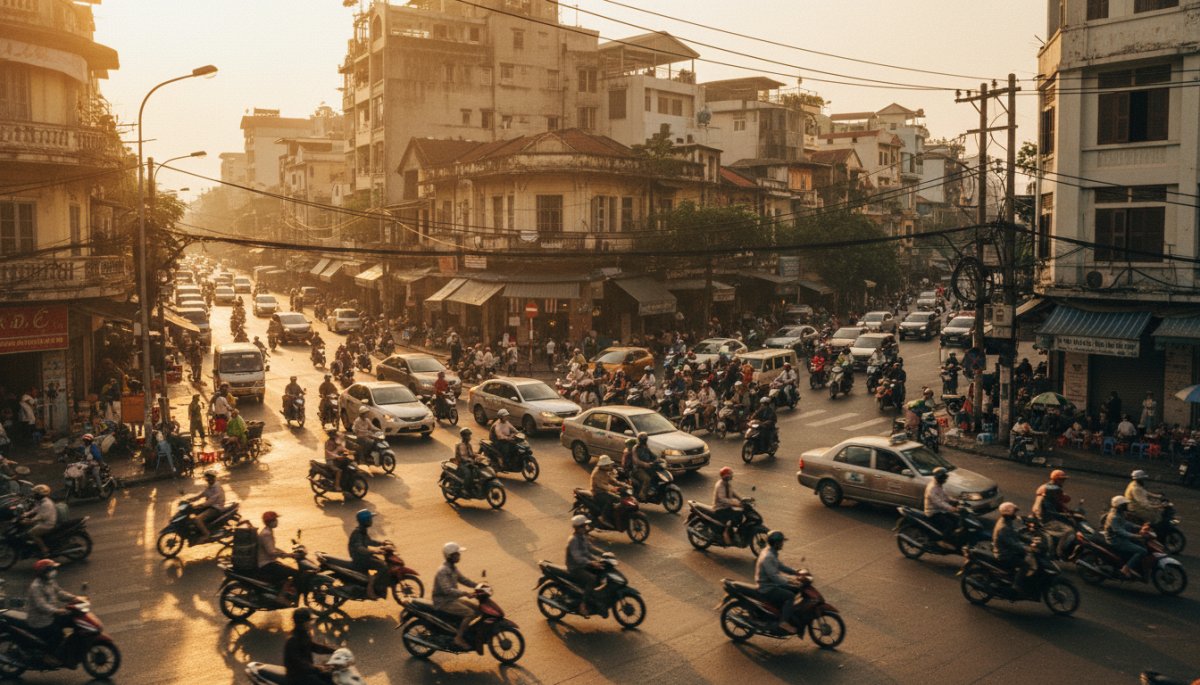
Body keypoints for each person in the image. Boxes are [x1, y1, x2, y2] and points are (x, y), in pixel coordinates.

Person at [26, 559, 79, 658]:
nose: (54, 571)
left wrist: (74, 598)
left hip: (51, 615)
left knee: (74, 620)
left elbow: (59, 592)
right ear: (44, 572)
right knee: (58, 634)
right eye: (52, 569)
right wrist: (57, 611)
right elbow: (41, 605)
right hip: (41, 621)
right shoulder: (36, 587)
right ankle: (49, 656)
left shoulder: (50, 581)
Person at [433, 542, 478, 650]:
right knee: (470, 613)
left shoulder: (453, 568)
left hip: (452, 599)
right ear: (450, 556)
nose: (459, 556)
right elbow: (447, 590)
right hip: (443, 602)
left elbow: (463, 580)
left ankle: (462, 629)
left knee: (477, 609)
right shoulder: (443, 571)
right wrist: (465, 593)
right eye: (457, 554)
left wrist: (479, 585)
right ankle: (458, 638)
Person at [755, 530, 799, 632]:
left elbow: (780, 566)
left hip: (771, 584)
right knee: (790, 596)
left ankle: (784, 612)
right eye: (781, 542)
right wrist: (789, 581)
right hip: (767, 588)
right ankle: (783, 622)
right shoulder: (768, 557)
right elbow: (774, 576)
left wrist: (795, 572)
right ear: (776, 543)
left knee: (795, 589)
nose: (782, 544)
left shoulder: (770, 551)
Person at [283, 608, 336, 685]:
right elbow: (298, 663)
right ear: (302, 623)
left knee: (333, 678)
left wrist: (334, 651)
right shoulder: (292, 640)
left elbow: (314, 647)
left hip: (309, 672)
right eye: (309, 621)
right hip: (298, 677)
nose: (311, 623)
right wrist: (317, 668)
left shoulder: (304, 634)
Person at [565, 515, 603, 617]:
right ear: (578, 528)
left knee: (600, 572)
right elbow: (578, 558)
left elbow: (590, 548)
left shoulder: (582, 537)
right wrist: (592, 562)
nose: (586, 528)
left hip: (583, 564)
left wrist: (603, 554)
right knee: (592, 579)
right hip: (575, 568)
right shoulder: (573, 540)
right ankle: (583, 605)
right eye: (584, 526)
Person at [1105, 496, 1148, 578]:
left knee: (1140, 544)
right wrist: (1136, 536)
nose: (1126, 506)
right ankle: (1125, 569)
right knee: (1142, 551)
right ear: (1120, 506)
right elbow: (1120, 531)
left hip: (1120, 537)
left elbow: (1126, 523)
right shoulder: (1114, 517)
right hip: (1116, 540)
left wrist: (1140, 527)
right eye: (1125, 504)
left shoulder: (1119, 513)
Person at [349, 509, 387, 600]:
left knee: (380, 563)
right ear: (366, 521)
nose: (371, 521)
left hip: (363, 557)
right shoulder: (358, 532)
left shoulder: (362, 530)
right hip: (359, 558)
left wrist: (382, 543)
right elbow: (360, 548)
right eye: (370, 519)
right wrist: (374, 551)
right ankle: (370, 590)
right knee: (381, 566)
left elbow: (369, 541)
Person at [992, 502, 1030, 593]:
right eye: (1014, 513)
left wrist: (1027, 537)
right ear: (1008, 514)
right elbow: (1013, 544)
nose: (1015, 514)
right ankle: (1016, 586)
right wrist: (1027, 548)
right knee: (1025, 565)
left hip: (1007, 550)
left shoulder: (1006, 521)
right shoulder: (1003, 527)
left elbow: (1013, 533)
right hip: (1004, 554)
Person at [257, 511, 296, 591]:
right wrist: (288, 555)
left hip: (269, 561)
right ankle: (281, 596)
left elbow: (273, 548)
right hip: (266, 564)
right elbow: (271, 552)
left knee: (286, 571)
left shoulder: (268, 531)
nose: (277, 521)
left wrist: (286, 553)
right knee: (293, 572)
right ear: (270, 522)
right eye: (275, 520)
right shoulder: (266, 534)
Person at [184, 469, 225, 539]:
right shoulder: (209, 486)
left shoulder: (217, 487)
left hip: (216, 508)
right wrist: (191, 499)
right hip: (210, 506)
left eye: (210, 478)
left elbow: (212, 500)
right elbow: (202, 494)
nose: (209, 480)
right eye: (208, 478)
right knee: (193, 511)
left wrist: (201, 505)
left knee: (197, 519)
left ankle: (206, 534)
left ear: (214, 477)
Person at [20, 484, 57, 555]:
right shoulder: (41, 501)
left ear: (40, 494)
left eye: (35, 494)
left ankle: (44, 549)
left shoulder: (46, 504)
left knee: (32, 533)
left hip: (47, 524)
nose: (34, 495)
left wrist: (30, 521)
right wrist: (25, 514)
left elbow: (41, 516)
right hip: (42, 521)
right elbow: (35, 509)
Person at [712, 466, 744, 545]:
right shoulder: (720, 485)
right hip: (720, 508)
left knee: (740, 515)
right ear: (725, 476)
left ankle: (733, 532)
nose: (731, 475)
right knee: (733, 517)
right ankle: (725, 532)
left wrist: (742, 500)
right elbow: (722, 499)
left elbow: (733, 493)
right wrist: (734, 503)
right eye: (729, 474)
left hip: (727, 507)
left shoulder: (727, 484)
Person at [924, 467, 958, 537]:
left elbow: (945, 497)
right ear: (939, 477)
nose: (945, 480)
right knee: (949, 524)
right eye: (943, 478)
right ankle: (942, 540)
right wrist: (951, 508)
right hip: (933, 513)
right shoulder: (932, 488)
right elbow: (938, 502)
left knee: (956, 520)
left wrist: (955, 501)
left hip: (940, 511)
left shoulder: (939, 485)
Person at [589, 455, 621, 526]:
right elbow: (602, 485)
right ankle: (603, 517)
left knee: (618, 498)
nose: (609, 466)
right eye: (607, 465)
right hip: (597, 493)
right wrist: (612, 489)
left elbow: (612, 480)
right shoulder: (596, 474)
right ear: (603, 465)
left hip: (604, 491)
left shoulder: (604, 471)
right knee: (610, 500)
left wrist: (624, 485)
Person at [452, 428, 479, 493]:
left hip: (468, 462)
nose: (470, 437)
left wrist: (478, 456)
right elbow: (463, 456)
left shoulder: (468, 445)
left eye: (470, 435)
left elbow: (471, 453)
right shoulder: (461, 445)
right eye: (468, 436)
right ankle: (465, 489)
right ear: (464, 436)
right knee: (468, 473)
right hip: (462, 463)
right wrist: (470, 460)